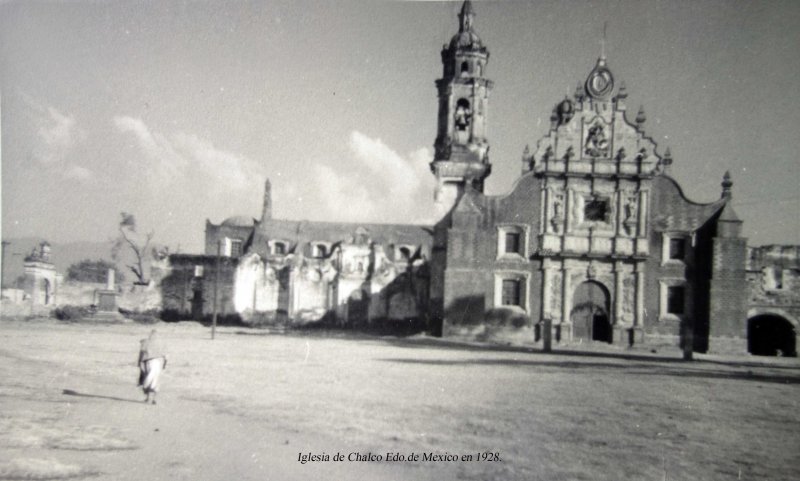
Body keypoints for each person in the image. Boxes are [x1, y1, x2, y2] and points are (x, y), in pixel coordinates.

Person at [137, 329, 167, 404]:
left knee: (147, 379)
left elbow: (141, 353)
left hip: (148, 362)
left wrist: (139, 362)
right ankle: (151, 398)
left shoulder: (146, 342)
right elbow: (165, 356)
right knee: (154, 380)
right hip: (158, 362)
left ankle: (148, 398)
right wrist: (164, 365)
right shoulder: (161, 343)